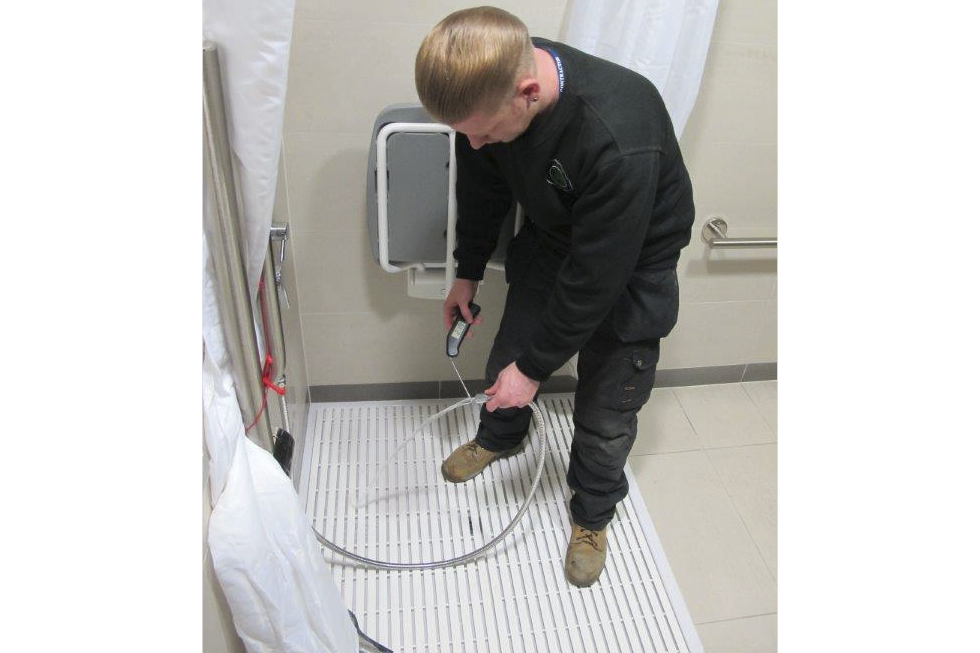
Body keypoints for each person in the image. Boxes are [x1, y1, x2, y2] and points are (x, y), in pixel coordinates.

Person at [415, 6, 694, 588]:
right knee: (506, 360)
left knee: (608, 407)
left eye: (484, 132)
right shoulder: (490, 87)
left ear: (529, 92)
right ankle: (500, 438)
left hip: (633, 261)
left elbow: (598, 275)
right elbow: (483, 186)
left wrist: (539, 369)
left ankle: (592, 513)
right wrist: (466, 272)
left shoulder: (619, 133)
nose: (474, 142)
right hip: (553, 238)